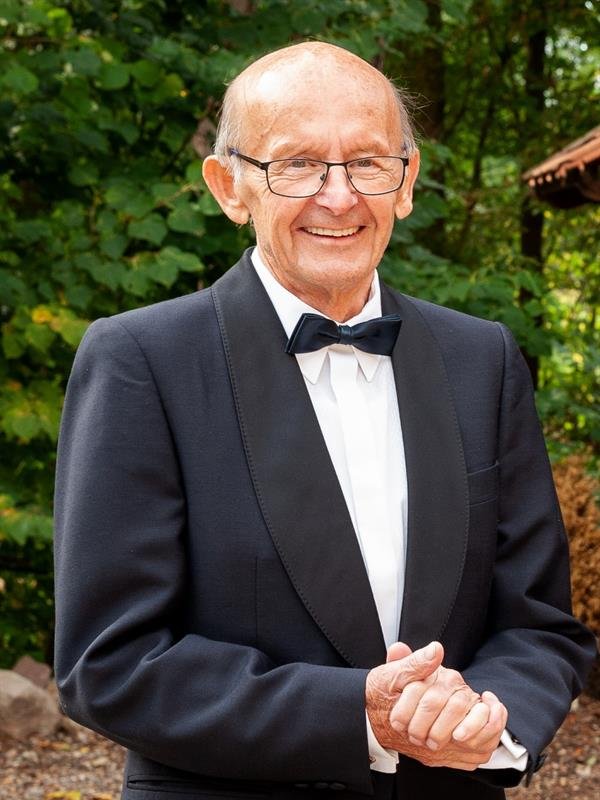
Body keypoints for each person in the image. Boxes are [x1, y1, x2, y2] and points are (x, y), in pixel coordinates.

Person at [53, 42, 596, 800]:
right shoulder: (142, 360)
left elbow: (539, 624)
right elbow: (110, 661)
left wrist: (486, 717)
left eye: (368, 163)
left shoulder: (484, 359)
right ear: (229, 187)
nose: (338, 197)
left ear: (406, 181)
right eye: (298, 164)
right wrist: (357, 715)